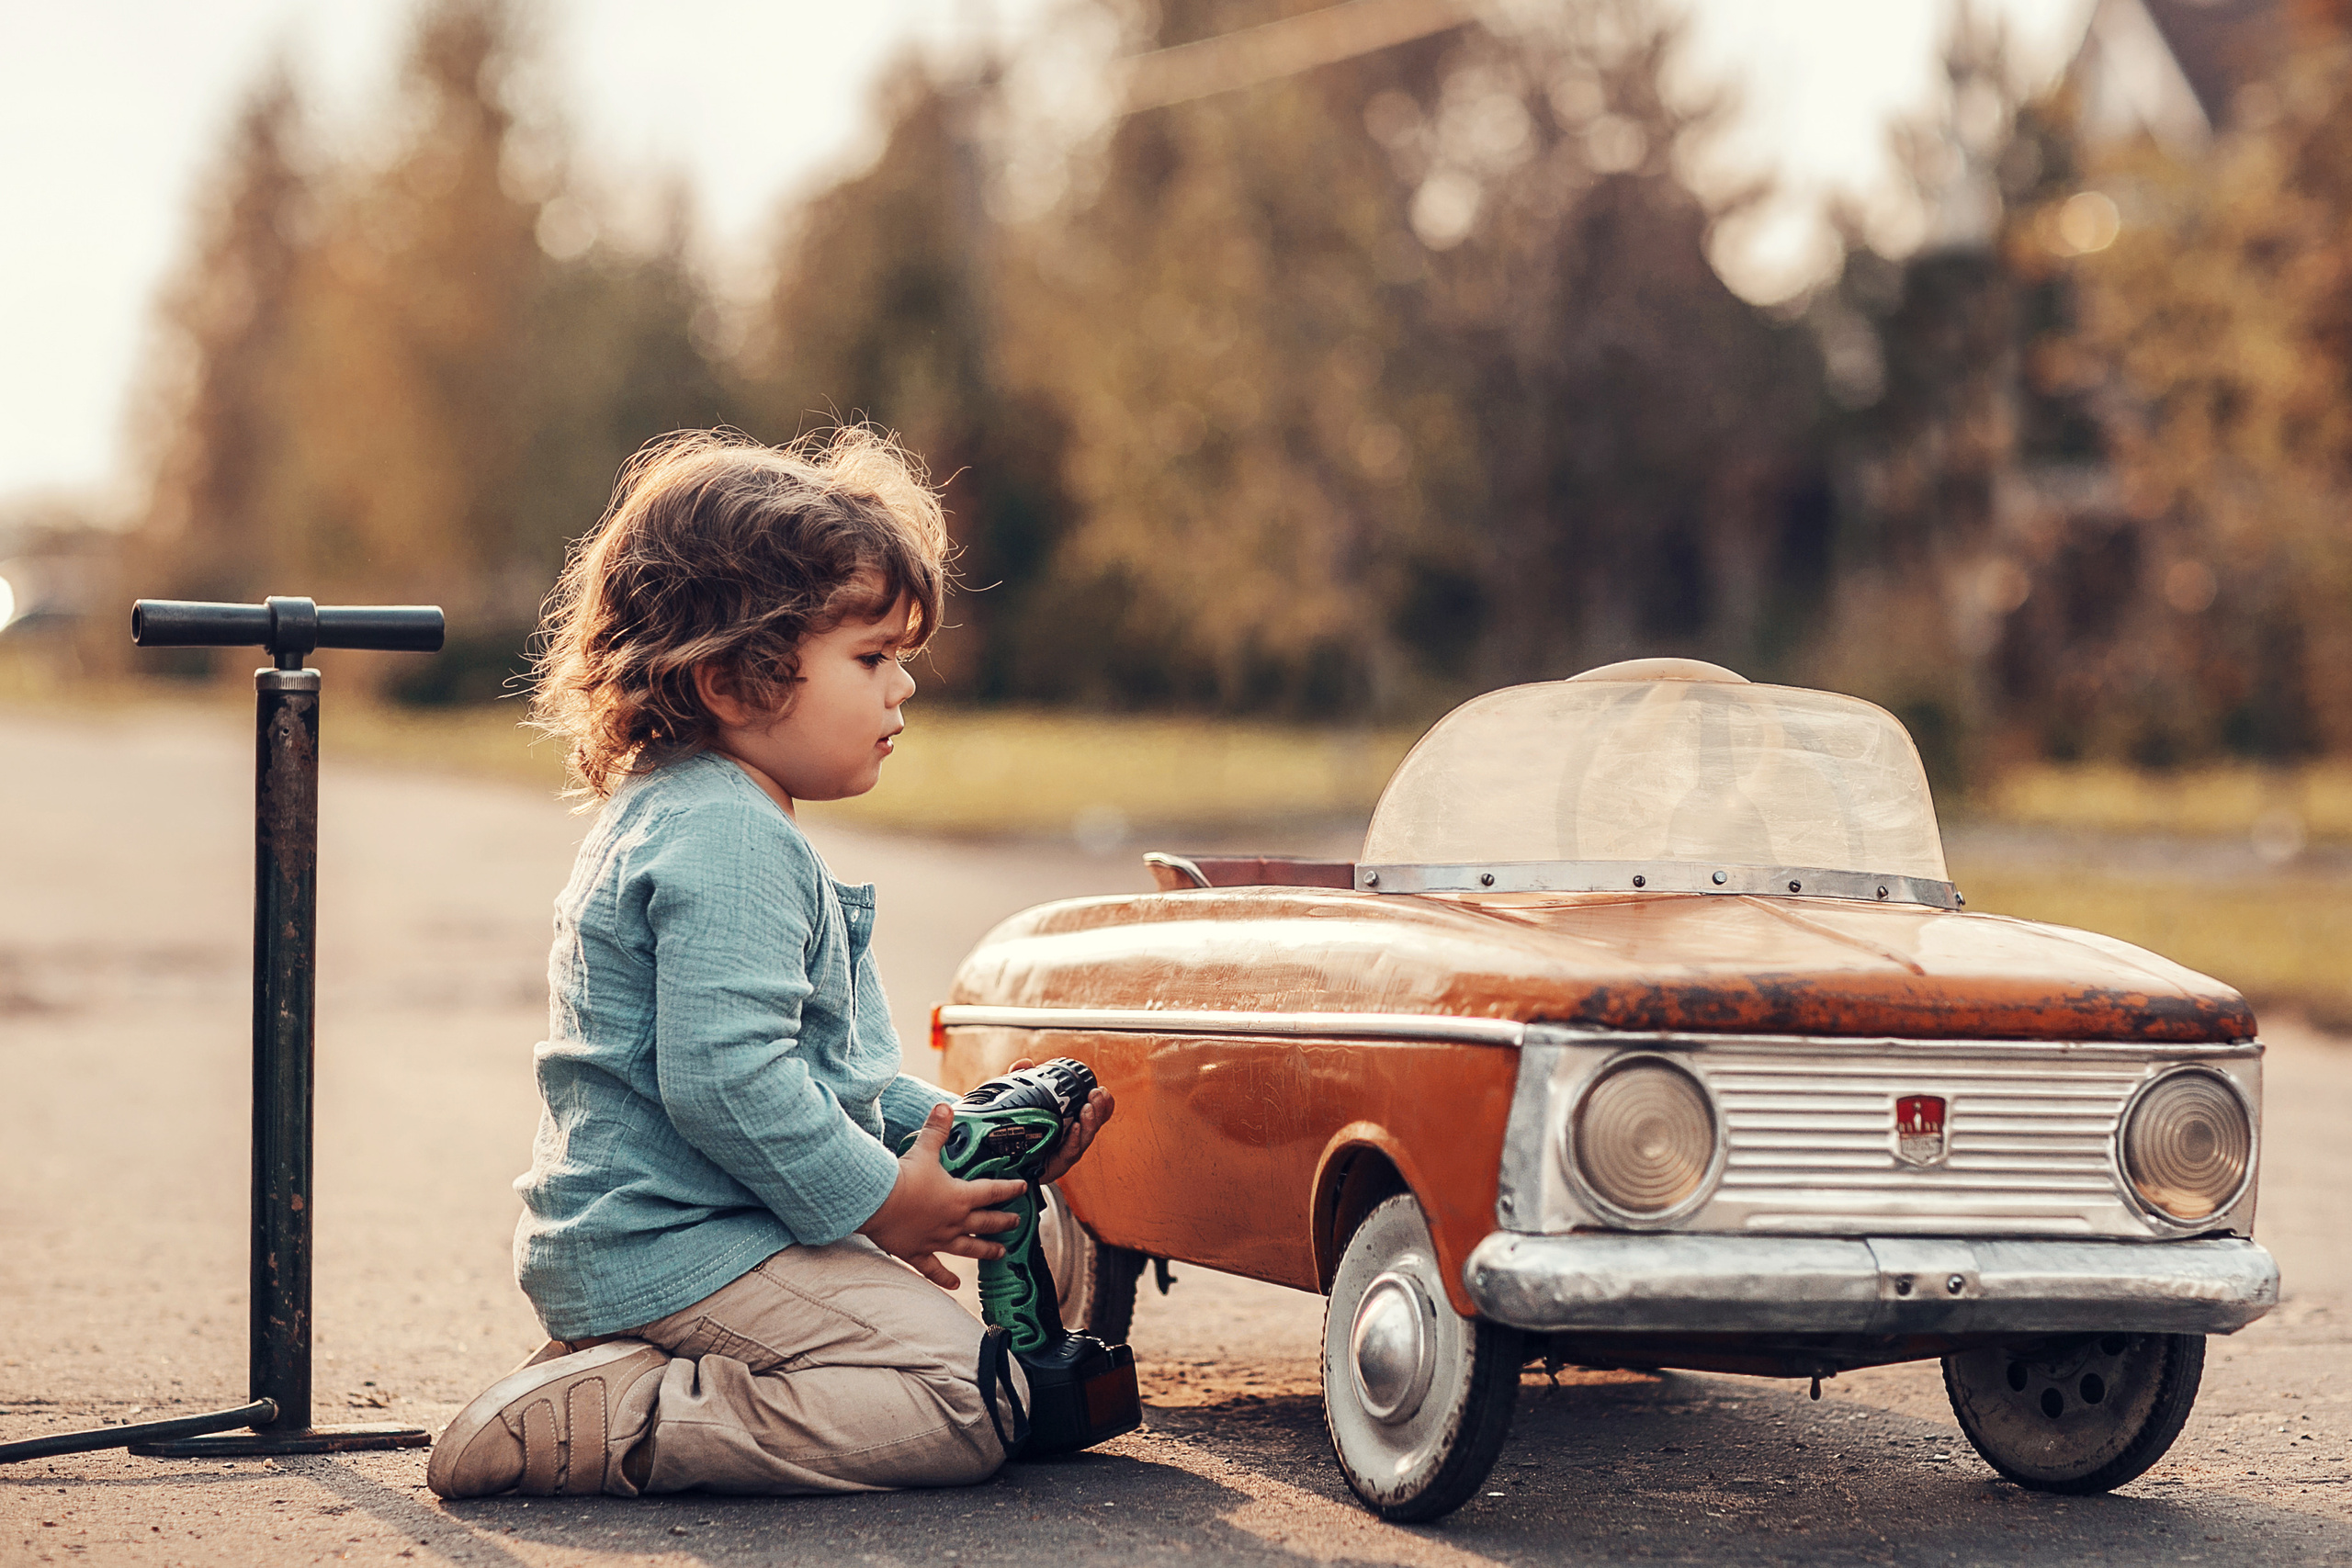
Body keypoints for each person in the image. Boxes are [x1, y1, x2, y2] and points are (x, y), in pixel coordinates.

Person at [427, 428, 1114, 1499]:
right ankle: (628, 1418)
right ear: (732, 680)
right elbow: (727, 1081)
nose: (904, 690)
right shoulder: (727, 839)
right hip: (673, 1245)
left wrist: (952, 1135)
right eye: (872, 658)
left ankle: (646, 1372)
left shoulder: (713, 817)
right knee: (959, 1399)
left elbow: (820, 1076)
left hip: (706, 1229)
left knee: (990, 1310)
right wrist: (884, 1206)